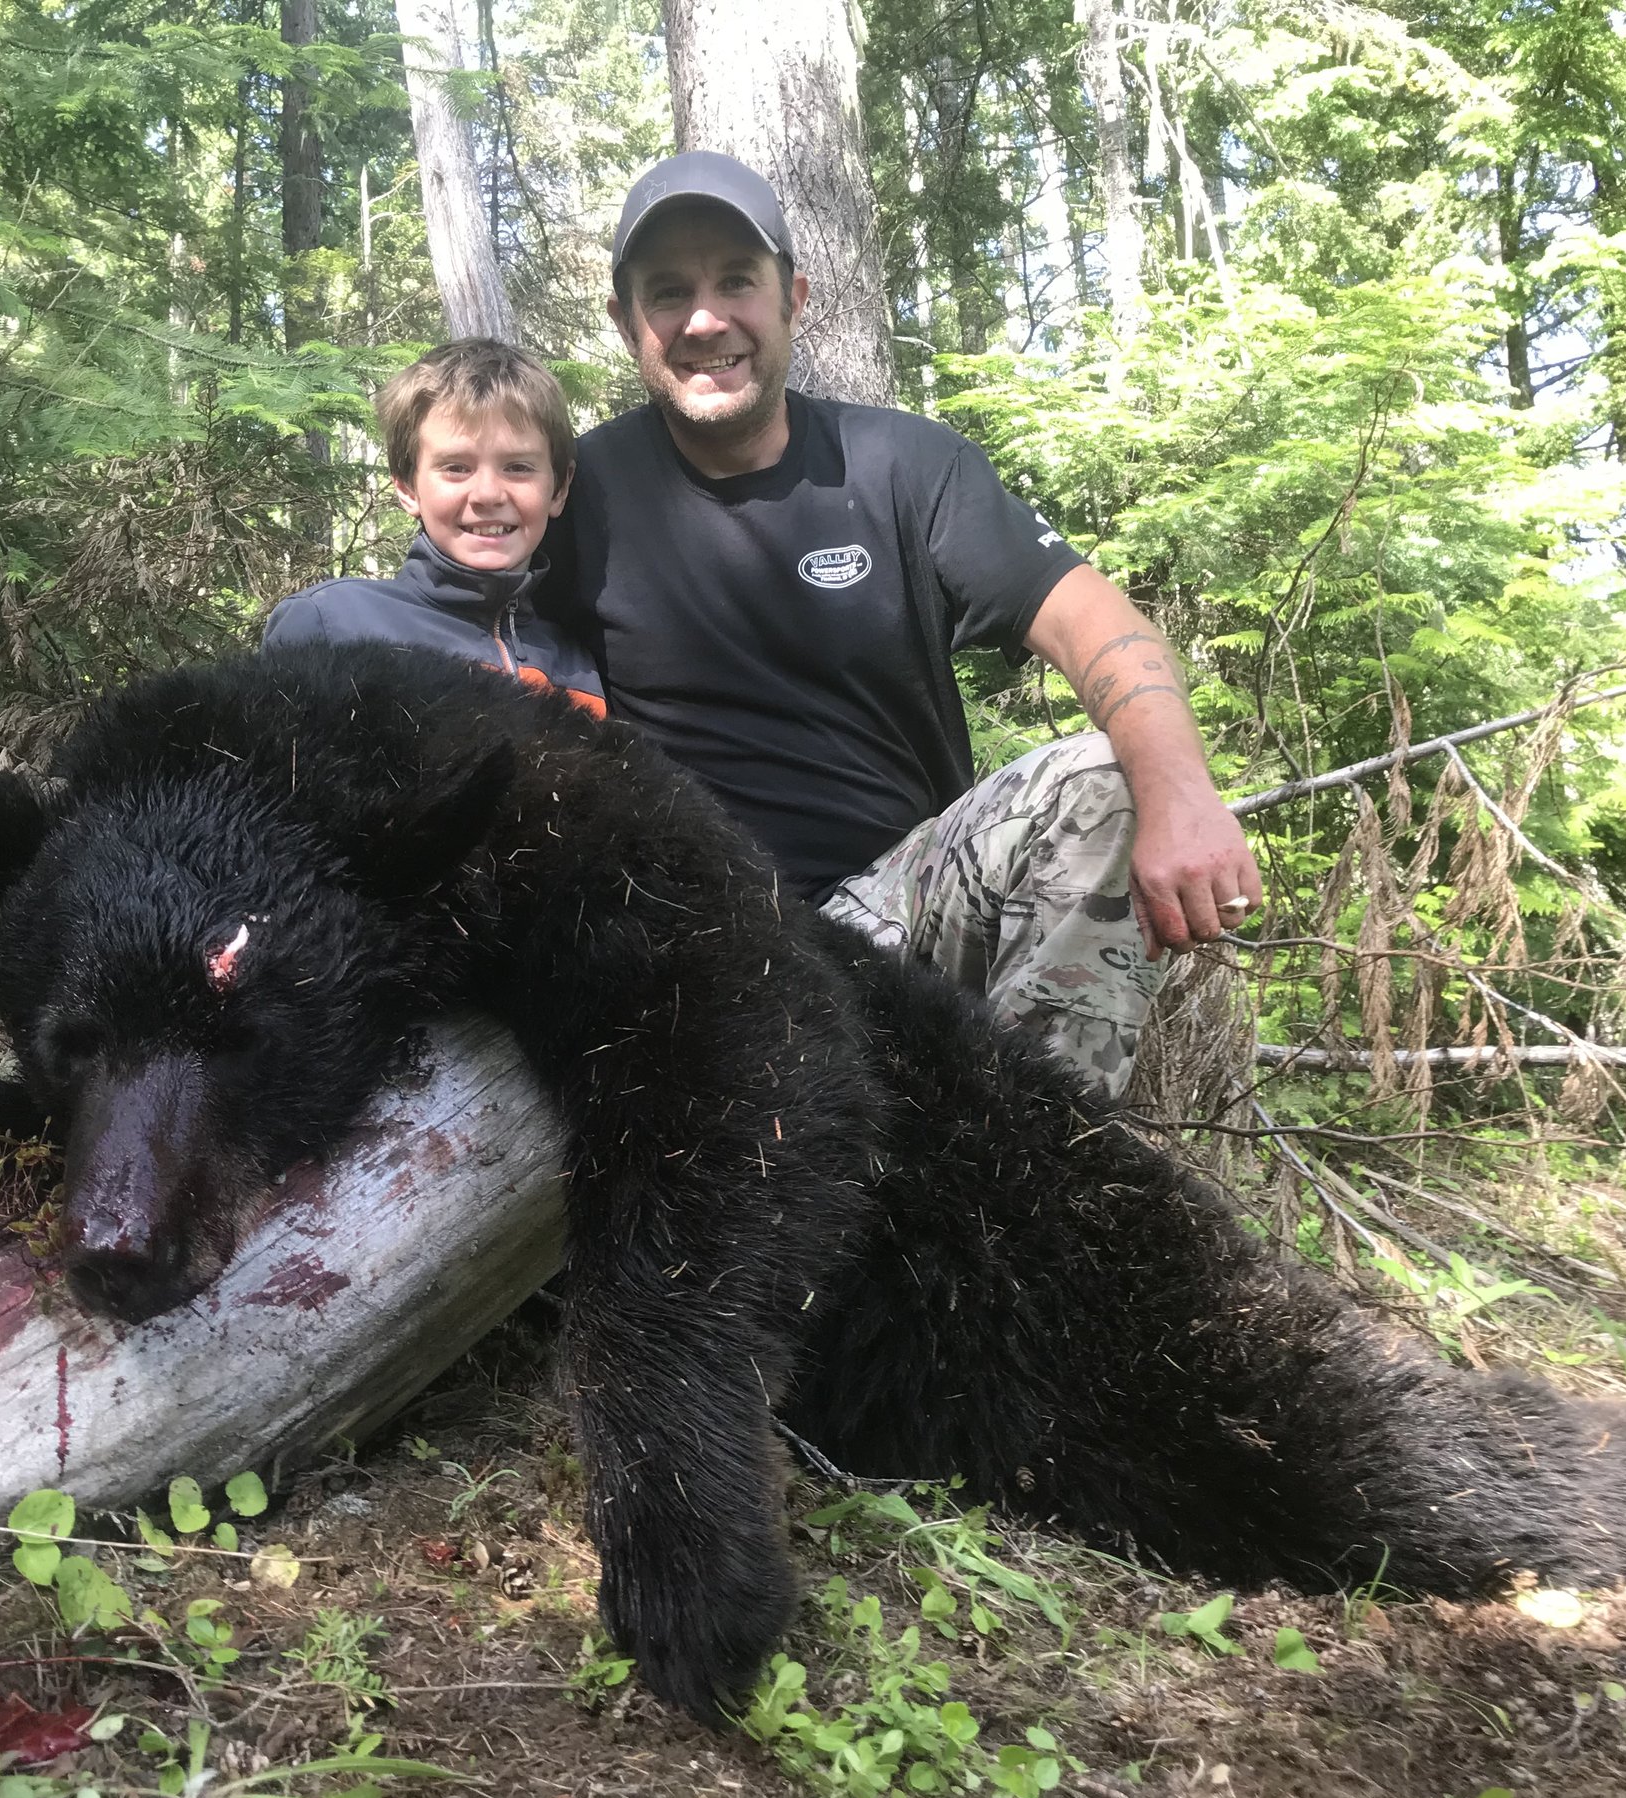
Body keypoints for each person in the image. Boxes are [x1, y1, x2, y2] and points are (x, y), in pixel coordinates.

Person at [547, 151, 1263, 1099]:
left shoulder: (902, 464)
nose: (705, 318)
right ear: (624, 321)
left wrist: (1183, 795)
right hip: (694, 949)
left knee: (1099, 778)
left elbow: (1097, 622)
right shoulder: (571, 493)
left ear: (794, 297)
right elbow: (450, 637)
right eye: (667, 291)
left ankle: (1034, 1176)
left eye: (736, 282)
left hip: (897, 911)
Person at [262, 339, 604, 717]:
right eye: (456, 467)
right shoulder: (331, 624)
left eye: (518, 467)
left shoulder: (579, 669)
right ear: (407, 488)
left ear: (559, 488)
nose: (488, 494)